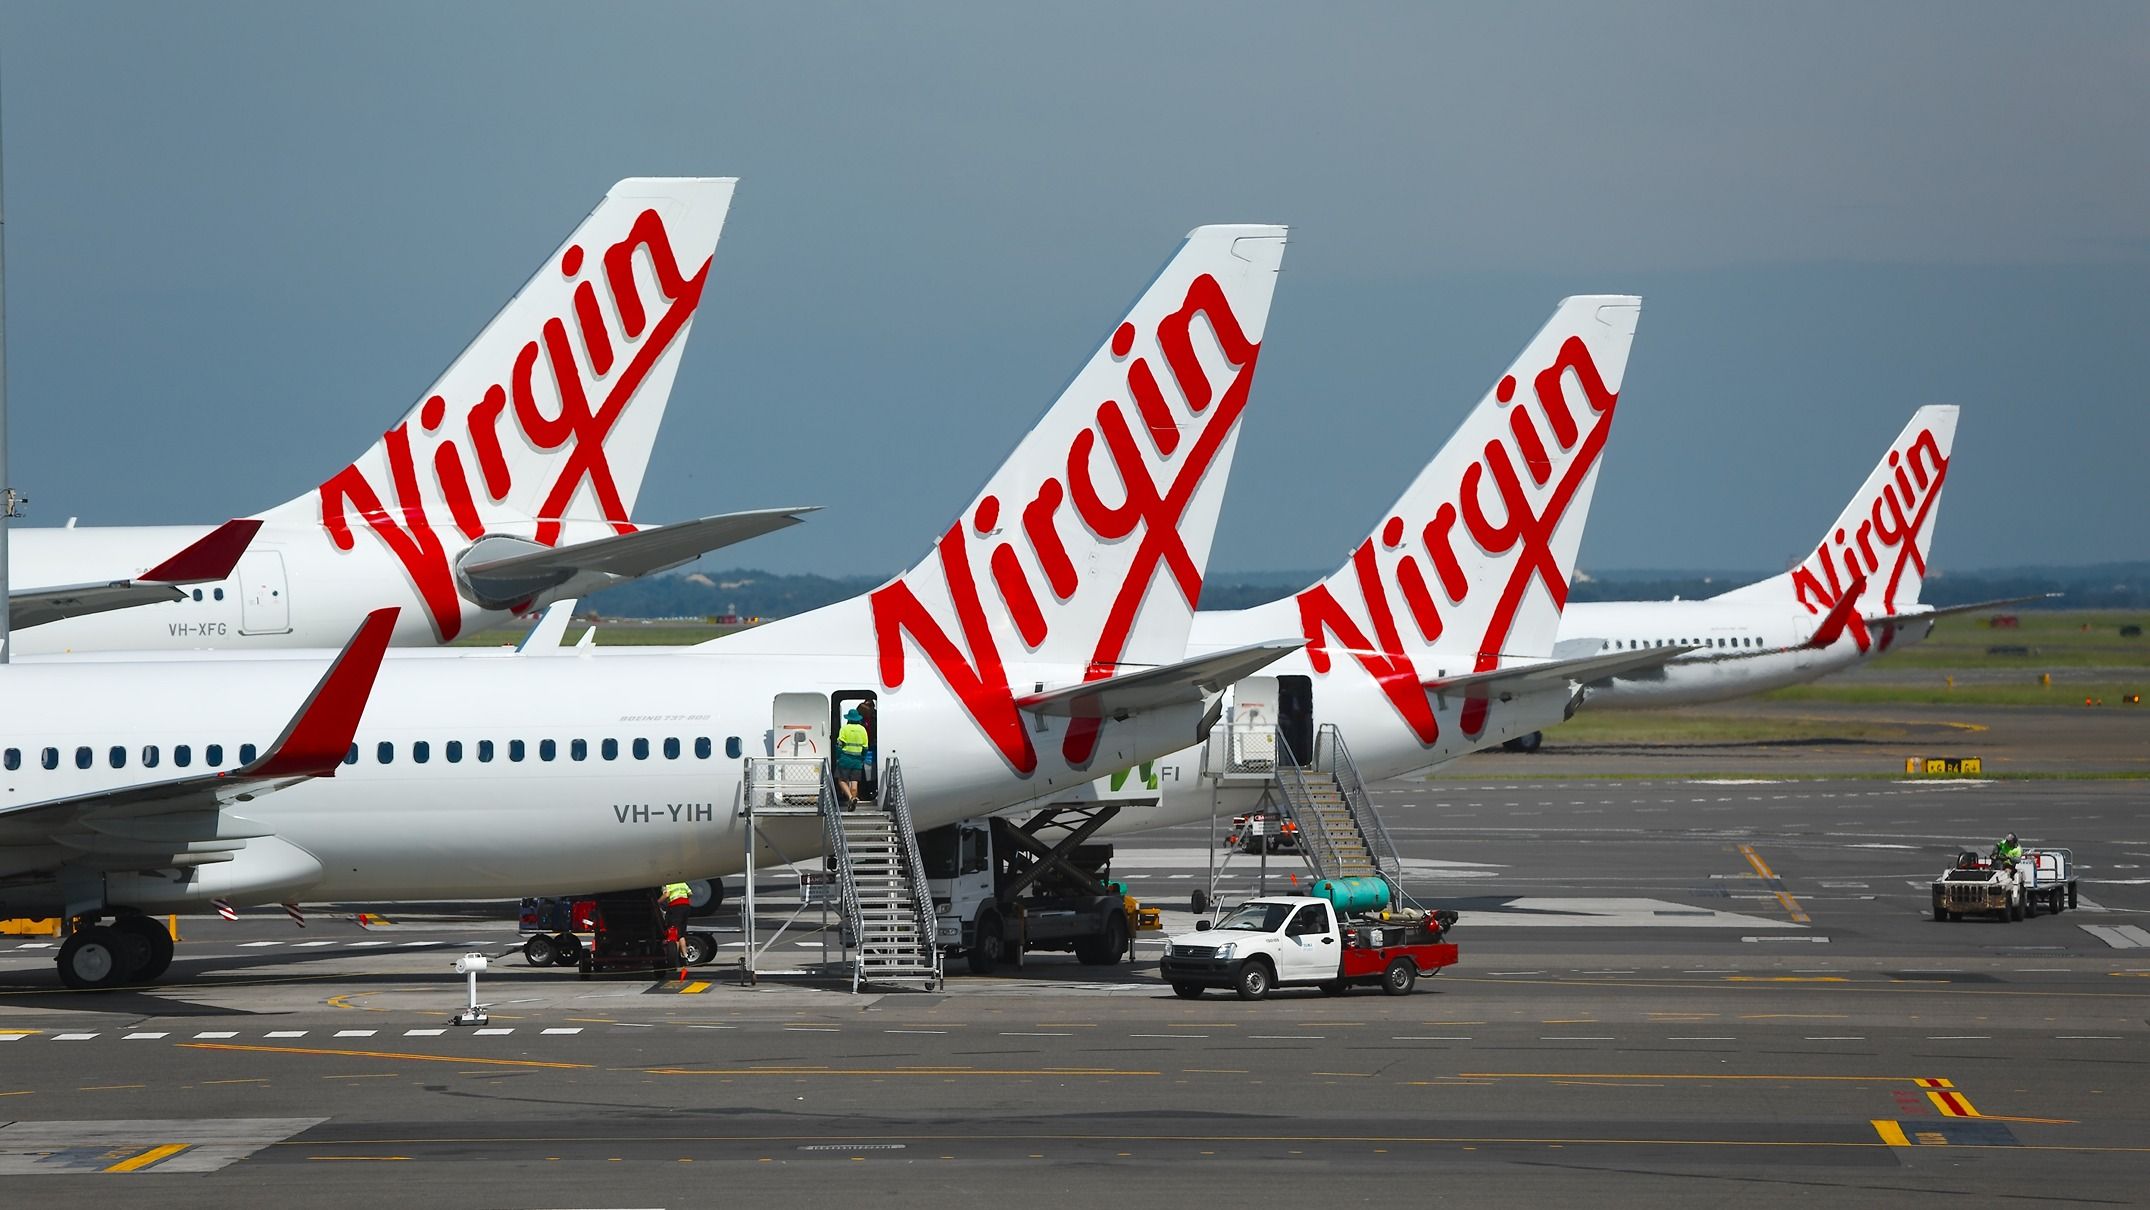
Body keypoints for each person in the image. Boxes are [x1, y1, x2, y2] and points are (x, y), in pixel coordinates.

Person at [834, 708, 869, 805]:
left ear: (848, 719)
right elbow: (865, 747)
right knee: (854, 782)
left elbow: (840, 744)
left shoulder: (844, 728)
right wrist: (862, 758)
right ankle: (854, 799)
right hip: (857, 760)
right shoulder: (862, 730)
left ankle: (850, 798)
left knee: (841, 780)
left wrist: (838, 757)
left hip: (845, 758)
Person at [659, 881, 693, 966]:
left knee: (674, 933)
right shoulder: (682, 883)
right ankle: (685, 956)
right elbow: (690, 894)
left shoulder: (668, 884)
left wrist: (658, 902)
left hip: (675, 906)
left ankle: (674, 959)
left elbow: (666, 895)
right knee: (681, 934)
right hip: (686, 906)